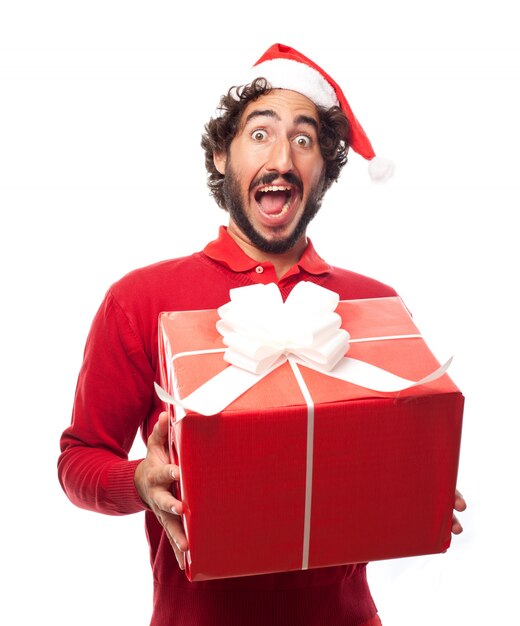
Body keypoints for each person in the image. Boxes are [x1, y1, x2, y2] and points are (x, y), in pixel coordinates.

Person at [58, 43, 466, 626]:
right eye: (260, 134)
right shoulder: (139, 300)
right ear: (223, 155)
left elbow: (381, 461)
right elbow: (79, 461)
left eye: (304, 140)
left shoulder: (376, 307)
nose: (282, 157)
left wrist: (414, 490)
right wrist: (140, 482)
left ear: (324, 169)